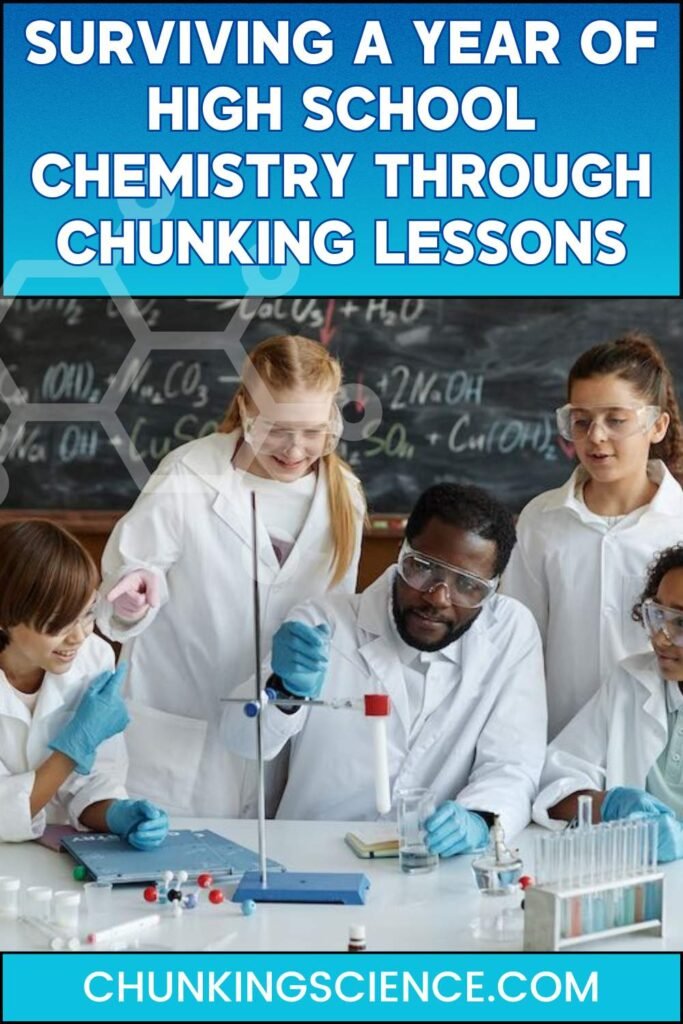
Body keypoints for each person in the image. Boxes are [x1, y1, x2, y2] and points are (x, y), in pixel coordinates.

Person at [98, 335, 366, 817]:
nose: (295, 449)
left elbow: (334, 624)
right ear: (245, 409)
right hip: (175, 739)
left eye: (313, 431)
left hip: (278, 742)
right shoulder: (190, 473)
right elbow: (128, 579)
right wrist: (130, 598)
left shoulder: (344, 494)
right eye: (276, 429)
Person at [221, 483, 547, 852]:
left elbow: (512, 763)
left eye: (468, 586)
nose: (437, 597)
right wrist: (284, 690)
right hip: (313, 856)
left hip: (429, 862)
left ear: (493, 590)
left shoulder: (508, 633)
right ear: (401, 553)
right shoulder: (325, 624)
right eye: (422, 568)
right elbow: (243, 742)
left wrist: (480, 818)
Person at [501, 333, 683, 739]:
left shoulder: (679, 524)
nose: (596, 436)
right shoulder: (541, 520)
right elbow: (515, 644)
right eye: (581, 421)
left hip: (661, 749)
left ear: (657, 426)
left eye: (616, 420)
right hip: (557, 745)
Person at [0, 519, 168, 847]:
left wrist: (117, 814)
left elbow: (92, 782)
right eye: (58, 624)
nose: (78, 636)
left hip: (59, 854)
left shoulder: (92, 657)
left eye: (87, 613)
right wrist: (72, 748)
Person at [533, 544, 683, 862]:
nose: (660, 637)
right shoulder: (630, 681)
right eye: (657, 615)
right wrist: (610, 804)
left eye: (680, 623)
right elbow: (555, 787)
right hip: (634, 880)